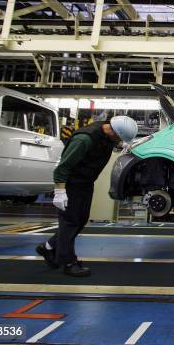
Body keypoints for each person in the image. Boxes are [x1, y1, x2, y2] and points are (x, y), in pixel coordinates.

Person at [36, 116, 138, 277]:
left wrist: (124, 144)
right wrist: (60, 192)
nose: (118, 141)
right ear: (113, 131)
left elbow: (112, 142)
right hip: (70, 184)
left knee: (81, 219)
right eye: (119, 138)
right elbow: (62, 169)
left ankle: (48, 247)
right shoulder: (83, 140)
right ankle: (68, 263)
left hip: (85, 183)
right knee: (70, 221)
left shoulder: (107, 133)